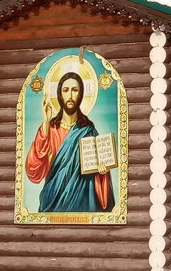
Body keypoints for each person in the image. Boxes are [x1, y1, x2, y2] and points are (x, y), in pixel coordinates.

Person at [25, 71, 113, 212]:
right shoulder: (50, 129)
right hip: (53, 200)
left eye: (75, 90)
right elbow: (33, 169)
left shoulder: (88, 130)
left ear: (81, 94)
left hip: (82, 201)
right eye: (66, 90)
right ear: (60, 95)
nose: (70, 96)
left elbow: (98, 169)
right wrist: (46, 122)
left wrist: (102, 172)